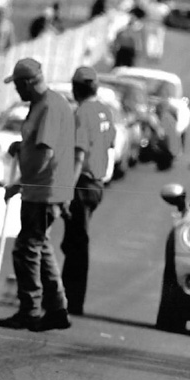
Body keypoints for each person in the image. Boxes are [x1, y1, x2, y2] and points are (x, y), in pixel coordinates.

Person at [0, 58, 75, 331]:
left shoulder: (50, 106)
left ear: (29, 82)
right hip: (43, 189)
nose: (16, 90)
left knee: (26, 249)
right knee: (40, 247)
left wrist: (21, 182)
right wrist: (21, 147)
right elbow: (37, 144)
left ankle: (30, 309)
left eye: (18, 84)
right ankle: (57, 309)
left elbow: (45, 153)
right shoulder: (41, 104)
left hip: (44, 191)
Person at [61, 67, 116, 316]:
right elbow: (110, 142)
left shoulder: (82, 112)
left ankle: (72, 300)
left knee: (77, 244)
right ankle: (66, 295)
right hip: (97, 184)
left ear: (76, 89)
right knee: (74, 241)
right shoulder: (105, 110)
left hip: (82, 184)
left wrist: (67, 190)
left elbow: (79, 154)